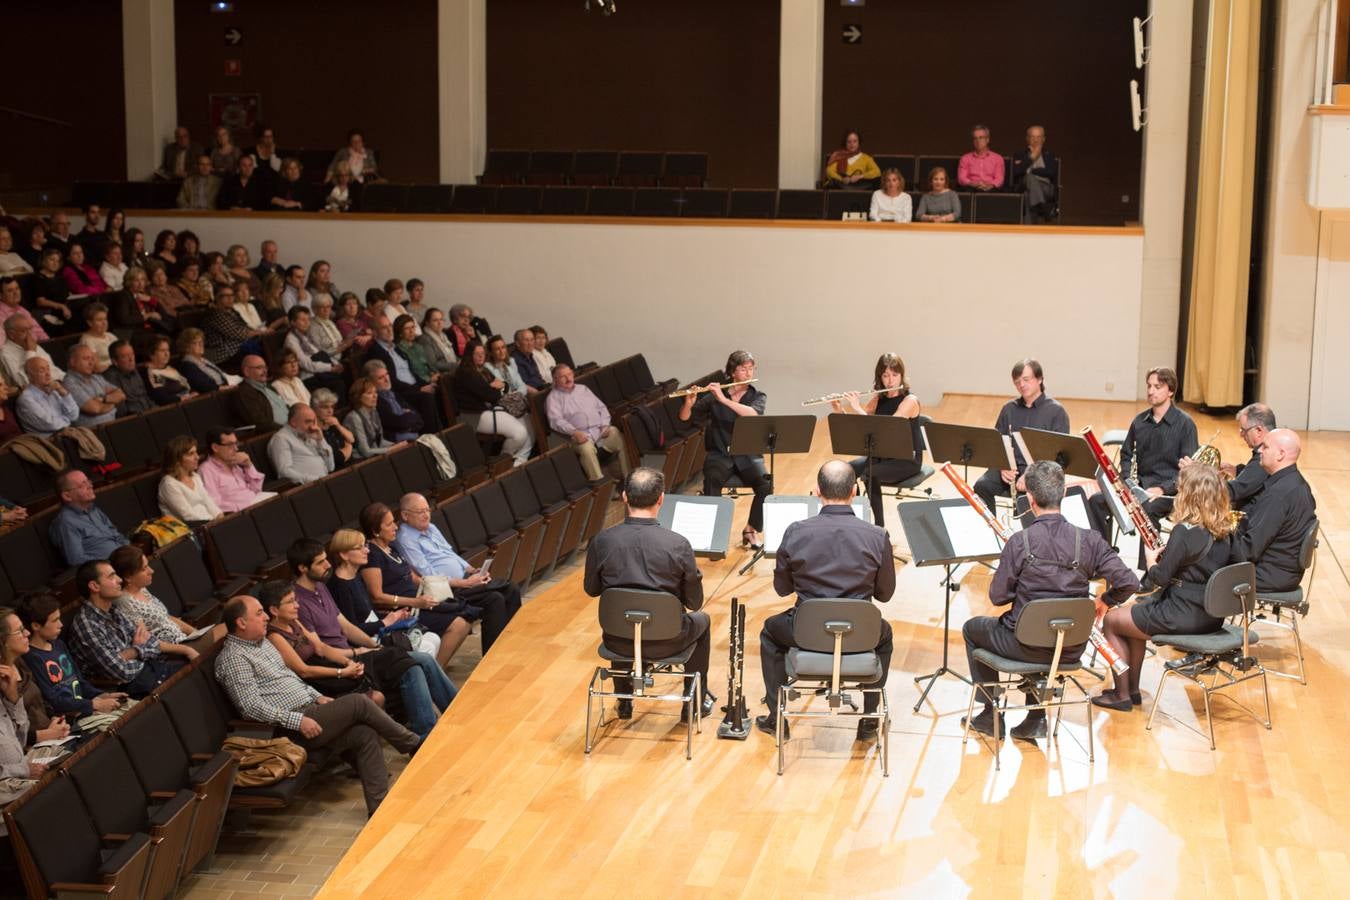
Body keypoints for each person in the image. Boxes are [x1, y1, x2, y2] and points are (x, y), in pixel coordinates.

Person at [962, 461, 1139, 739]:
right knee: (1043, 626)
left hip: (1023, 644)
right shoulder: (1090, 540)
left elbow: (997, 597)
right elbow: (1131, 582)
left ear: (1030, 499)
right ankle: (1035, 718)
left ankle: (989, 714)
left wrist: (1021, 583)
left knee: (973, 629)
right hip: (1071, 646)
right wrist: (1106, 599)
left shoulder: (1020, 542)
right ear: (1063, 494)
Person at [214, 595, 421, 817]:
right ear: (241, 623)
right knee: (360, 702)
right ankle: (414, 744)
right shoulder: (234, 659)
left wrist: (317, 696)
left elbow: (291, 678)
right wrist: (298, 720)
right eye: (258, 613)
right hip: (286, 731)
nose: (266, 617)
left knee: (364, 733)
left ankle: (380, 810)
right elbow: (250, 707)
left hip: (309, 709)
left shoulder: (262, 643)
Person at [755, 460, 895, 741]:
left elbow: (782, 589)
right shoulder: (878, 536)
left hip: (807, 632)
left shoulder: (796, 531)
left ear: (817, 491)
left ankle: (776, 718)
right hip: (859, 633)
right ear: (854, 491)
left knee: (771, 632)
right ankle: (869, 720)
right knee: (885, 634)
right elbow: (884, 594)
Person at [1094, 465, 1237, 711]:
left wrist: (1151, 559)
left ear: (1189, 495)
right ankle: (1132, 691)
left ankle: (1121, 694)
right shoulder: (1226, 530)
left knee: (1112, 621)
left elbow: (1160, 577)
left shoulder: (1184, 531)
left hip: (1181, 614)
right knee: (1133, 617)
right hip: (1210, 616)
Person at [288, 540, 458, 736]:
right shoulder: (297, 602)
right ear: (302, 567)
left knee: (425, 660)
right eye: (320, 562)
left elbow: (346, 626)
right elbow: (320, 649)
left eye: (326, 560)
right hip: (341, 660)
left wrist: (373, 644)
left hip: (358, 651)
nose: (328, 565)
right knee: (410, 667)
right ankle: (426, 733)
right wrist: (357, 651)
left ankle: (455, 710)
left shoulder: (320, 587)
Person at [584, 467, 712, 721]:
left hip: (617, 639)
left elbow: (592, 589)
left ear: (624, 497)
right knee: (703, 621)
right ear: (661, 498)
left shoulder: (602, 541)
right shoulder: (677, 544)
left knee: (623, 617)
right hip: (669, 639)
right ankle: (692, 705)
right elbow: (694, 602)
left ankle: (624, 701)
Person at [395, 494, 522, 658]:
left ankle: (510, 645)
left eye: (427, 510)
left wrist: (472, 570)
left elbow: (450, 554)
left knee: (511, 589)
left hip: (462, 582)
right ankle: (493, 657)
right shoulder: (405, 539)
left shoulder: (431, 528)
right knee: (496, 597)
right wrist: (465, 583)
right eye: (420, 512)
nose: (426, 515)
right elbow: (427, 573)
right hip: (445, 591)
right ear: (405, 515)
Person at [1086, 367, 1198, 549]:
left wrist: (1163, 489)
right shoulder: (1139, 421)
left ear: (1170, 391)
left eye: (1157, 386)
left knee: (1148, 510)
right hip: (1138, 488)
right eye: (1149, 386)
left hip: (1170, 492)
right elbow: (1126, 454)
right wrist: (1127, 480)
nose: (1151, 391)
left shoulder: (1185, 424)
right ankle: (1103, 554)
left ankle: (1149, 570)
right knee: (1096, 501)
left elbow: (1189, 472)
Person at [358, 503, 472, 668]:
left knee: (464, 610)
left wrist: (438, 589)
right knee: (459, 624)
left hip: (419, 601)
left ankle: (435, 670)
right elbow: (377, 597)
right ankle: (435, 673)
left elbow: (414, 578)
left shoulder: (391, 549)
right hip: (403, 610)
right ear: (375, 530)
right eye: (389, 524)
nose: (396, 527)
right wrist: (416, 602)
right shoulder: (373, 556)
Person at [678, 350, 769, 549]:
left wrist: (724, 400)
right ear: (732, 372)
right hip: (720, 455)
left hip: (748, 455)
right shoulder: (713, 397)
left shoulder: (757, 396)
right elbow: (686, 419)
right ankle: (713, 537)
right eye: (743, 369)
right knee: (712, 479)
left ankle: (751, 529)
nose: (748, 372)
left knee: (766, 485)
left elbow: (752, 415)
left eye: (750, 368)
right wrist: (688, 403)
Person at [831, 353, 923, 527]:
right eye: (886, 375)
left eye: (895, 375)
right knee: (847, 471)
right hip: (883, 455)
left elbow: (888, 430)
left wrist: (857, 407)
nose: (890, 381)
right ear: (880, 377)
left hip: (905, 459)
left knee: (869, 473)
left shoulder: (909, 401)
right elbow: (860, 426)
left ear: (902, 376)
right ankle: (853, 521)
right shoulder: (877, 399)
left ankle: (879, 527)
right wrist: (839, 409)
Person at [327, 528, 445, 663]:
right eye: (359, 548)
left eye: (365, 546)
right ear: (344, 554)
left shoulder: (356, 576)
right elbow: (352, 630)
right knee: (426, 647)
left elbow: (369, 612)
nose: (367, 550)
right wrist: (386, 621)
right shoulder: (339, 586)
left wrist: (395, 617)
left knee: (433, 638)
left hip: (378, 630)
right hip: (367, 641)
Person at [972, 358, 1071, 516]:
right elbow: (996, 443)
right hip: (1010, 468)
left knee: (1030, 497)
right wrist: (1002, 466)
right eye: (1017, 382)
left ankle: (1029, 536)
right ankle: (994, 531)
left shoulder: (1056, 412)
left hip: (1040, 471)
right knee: (982, 485)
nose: (1021, 385)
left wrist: (1031, 474)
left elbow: (1060, 458)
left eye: (1026, 379)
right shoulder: (1009, 409)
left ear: (1039, 379)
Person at [68, 560, 179, 696]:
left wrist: (129, 653)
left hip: (153, 670)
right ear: (94, 586)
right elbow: (121, 672)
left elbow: (151, 642)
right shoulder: (86, 625)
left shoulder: (114, 609)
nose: (120, 580)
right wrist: (138, 650)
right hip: (132, 688)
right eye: (112, 576)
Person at [258, 580, 379, 701]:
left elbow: (321, 647)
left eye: (295, 600)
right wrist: (342, 672)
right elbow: (304, 671)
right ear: (274, 610)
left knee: (379, 667)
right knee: (376, 695)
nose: (297, 605)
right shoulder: (274, 636)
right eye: (290, 602)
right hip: (313, 684)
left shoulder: (293, 621)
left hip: (326, 668)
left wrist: (348, 662)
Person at [1229, 428, 1317, 592]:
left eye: (1266, 447)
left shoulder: (1278, 495)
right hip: (1282, 572)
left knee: (1196, 568)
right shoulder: (1297, 484)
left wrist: (1215, 545)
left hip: (1266, 574)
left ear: (1280, 454)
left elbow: (1248, 550)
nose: (1260, 450)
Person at [21, 593, 127, 725]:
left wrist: (100, 695)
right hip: (71, 718)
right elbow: (54, 700)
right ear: (36, 626)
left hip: (86, 707)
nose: (60, 624)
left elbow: (79, 682)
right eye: (54, 620)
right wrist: (93, 704)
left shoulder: (59, 645)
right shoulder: (32, 657)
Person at [110, 545, 210, 664]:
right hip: (170, 655)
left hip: (184, 641)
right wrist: (187, 650)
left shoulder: (141, 589)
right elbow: (146, 640)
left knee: (221, 634)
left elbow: (165, 617)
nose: (151, 571)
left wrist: (196, 633)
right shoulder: (124, 601)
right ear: (128, 577)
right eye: (144, 568)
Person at [0, 603, 72, 748]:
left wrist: (55, 720)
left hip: (52, 736)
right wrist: (44, 735)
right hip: (28, 750)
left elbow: (42, 701)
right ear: (3, 641)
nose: (27, 633)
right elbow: (9, 734)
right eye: (20, 631)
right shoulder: (3, 678)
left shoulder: (20, 662)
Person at [1180, 402, 1273, 511]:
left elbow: (1232, 491)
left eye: (1244, 430)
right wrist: (1239, 471)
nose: (1241, 434)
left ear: (1258, 430)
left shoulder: (1264, 459)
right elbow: (1256, 479)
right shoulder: (1269, 451)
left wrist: (1197, 474)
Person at [453, 341, 533, 465]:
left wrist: (494, 387)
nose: (481, 356)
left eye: (482, 353)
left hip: (492, 408)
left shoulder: (483, 369)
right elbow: (491, 395)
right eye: (476, 354)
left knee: (528, 423)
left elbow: (503, 387)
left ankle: (518, 460)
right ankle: (502, 463)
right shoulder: (466, 373)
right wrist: (494, 388)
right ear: (469, 355)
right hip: (474, 415)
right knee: (519, 434)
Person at [547, 363, 628, 482]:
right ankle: (600, 485)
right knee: (586, 449)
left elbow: (601, 407)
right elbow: (556, 421)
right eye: (563, 376)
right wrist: (574, 432)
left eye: (569, 374)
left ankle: (629, 478)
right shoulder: (552, 398)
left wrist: (605, 424)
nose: (568, 378)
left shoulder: (583, 389)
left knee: (616, 433)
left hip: (599, 430)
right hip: (579, 436)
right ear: (555, 380)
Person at [367, 314, 442, 432]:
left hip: (414, 387)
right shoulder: (376, 352)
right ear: (375, 332)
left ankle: (448, 431)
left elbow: (411, 371)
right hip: (401, 393)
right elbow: (390, 380)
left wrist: (424, 383)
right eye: (383, 327)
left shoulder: (395, 348)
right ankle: (433, 436)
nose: (389, 330)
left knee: (439, 386)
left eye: (390, 326)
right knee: (426, 397)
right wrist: (418, 389)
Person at [50, 469, 128, 566]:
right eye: (82, 485)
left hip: (126, 559)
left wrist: (130, 549)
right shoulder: (66, 522)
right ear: (67, 496)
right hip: (108, 569)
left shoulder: (94, 509)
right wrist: (110, 563)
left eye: (88, 481)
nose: (90, 486)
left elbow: (116, 535)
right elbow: (76, 560)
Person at [200, 427, 274, 513]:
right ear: (215, 447)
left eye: (236, 443)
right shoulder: (206, 471)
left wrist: (248, 465)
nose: (236, 449)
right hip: (241, 514)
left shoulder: (235, 462)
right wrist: (246, 505)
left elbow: (256, 490)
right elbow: (215, 505)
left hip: (256, 506)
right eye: (230, 445)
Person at [158, 435, 222, 523]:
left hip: (209, 523)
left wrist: (220, 517)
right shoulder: (168, 484)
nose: (197, 457)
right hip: (190, 530)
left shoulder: (195, 476)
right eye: (191, 454)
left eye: (196, 452)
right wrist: (213, 525)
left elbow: (208, 502)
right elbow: (188, 516)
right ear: (177, 459)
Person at [269, 403, 336, 485]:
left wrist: (321, 441)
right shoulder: (281, 438)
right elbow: (284, 472)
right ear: (293, 422)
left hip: (324, 483)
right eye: (308, 422)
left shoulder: (310, 433)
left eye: (314, 422)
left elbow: (331, 467)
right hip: (305, 488)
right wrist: (315, 480)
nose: (313, 426)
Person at [284, 306, 346, 394]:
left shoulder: (307, 335)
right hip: (310, 376)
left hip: (322, 371)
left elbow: (321, 353)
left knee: (346, 373)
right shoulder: (291, 340)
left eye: (308, 319)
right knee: (339, 384)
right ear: (293, 322)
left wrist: (335, 364)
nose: (307, 323)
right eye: (303, 320)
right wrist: (330, 368)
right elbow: (305, 363)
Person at [204, 285, 267, 368]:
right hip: (224, 353)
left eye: (232, 295)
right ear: (217, 298)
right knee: (255, 345)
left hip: (237, 347)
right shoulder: (216, 314)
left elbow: (245, 327)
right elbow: (239, 334)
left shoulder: (232, 311)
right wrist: (260, 332)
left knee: (264, 341)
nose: (230, 299)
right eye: (226, 296)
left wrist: (258, 333)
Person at [62, 344, 123, 428]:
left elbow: (121, 394)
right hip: (94, 432)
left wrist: (103, 399)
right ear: (73, 362)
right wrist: (113, 404)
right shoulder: (69, 384)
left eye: (92, 359)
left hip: (114, 424)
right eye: (86, 359)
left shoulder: (96, 378)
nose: (91, 363)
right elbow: (94, 409)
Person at [16, 357, 78, 437]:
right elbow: (51, 425)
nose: (48, 374)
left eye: (48, 369)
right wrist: (68, 421)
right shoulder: (26, 399)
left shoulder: (54, 391)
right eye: (42, 371)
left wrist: (63, 392)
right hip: (48, 443)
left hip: (66, 436)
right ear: (30, 376)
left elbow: (74, 415)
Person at [362, 360, 422, 441]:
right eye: (380, 378)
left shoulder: (393, 394)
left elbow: (419, 420)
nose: (386, 379)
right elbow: (397, 423)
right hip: (399, 445)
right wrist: (409, 416)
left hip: (415, 438)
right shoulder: (376, 401)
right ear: (371, 382)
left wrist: (408, 423)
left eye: (386, 374)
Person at [1010, 125, 1059, 223]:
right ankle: (1043, 207)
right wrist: (1031, 158)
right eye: (1032, 137)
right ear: (1027, 139)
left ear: (1043, 139)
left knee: (1028, 195)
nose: (1036, 140)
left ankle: (1028, 231)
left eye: (1039, 137)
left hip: (1045, 187)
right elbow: (1016, 172)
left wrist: (1031, 170)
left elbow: (1051, 173)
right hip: (1024, 185)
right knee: (1029, 178)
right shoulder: (1020, 155)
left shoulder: (1049, 155)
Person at [1, 314, 63, 387]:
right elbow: (24, 382)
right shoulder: (5, 353)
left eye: (30, 330)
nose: (29, 335)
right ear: (11, 334)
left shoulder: (33, 344)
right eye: (24, 331)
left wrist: (64, 380)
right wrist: (30, 352)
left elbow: (54, 369)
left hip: (58, 384)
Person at [344, 377, 399, 459]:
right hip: (360, 461)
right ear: (358, 397)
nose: (375, 396)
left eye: (375, 392)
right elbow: (365, 452)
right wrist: (392, 449)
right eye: (369, 393)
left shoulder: (374, 411)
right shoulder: (354, 418)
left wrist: (398, 445)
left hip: (376, 456)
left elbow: (380, 442)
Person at [230, 354, 288, 429]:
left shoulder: (270, 387)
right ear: (246, 371)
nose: (265, 371)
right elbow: (260, 422)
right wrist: (286, 429)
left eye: (265, 367)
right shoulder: (243, 392)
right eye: (259, 368)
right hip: (276, 433)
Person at [177, 328, 241, 393]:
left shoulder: (203, 360)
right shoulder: (187, 366)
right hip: (216, 394)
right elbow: (202, 385)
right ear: (186, 347)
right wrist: (220, 388)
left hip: (224, 387)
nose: (201, 345)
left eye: (201, 341)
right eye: (196, 343)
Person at [103, 340, 153, 416]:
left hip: (148, 413)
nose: (131, 359)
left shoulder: (134, 371)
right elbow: (121, 411)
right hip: (133, 419)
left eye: (132, 354)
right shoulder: (110, 377)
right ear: (115, 361)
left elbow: (144, 395)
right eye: (125, 356)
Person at [312, 388, 355, 468]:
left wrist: (338, 425)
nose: (330, 411)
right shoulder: (314, 431)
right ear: (314, 409)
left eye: (332, 407)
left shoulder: (333, 424)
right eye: (325, 407)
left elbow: (352, 439)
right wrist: (349, 447)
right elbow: (337, 459)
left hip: (350, 466)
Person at [143, 335, 192, 405]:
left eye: (168, 350)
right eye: (162, 351)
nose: (167, 354)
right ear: (152, 354)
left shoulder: (170, 368)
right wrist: (181, 398)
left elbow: (185, 384)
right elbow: (163, 398)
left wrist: (192, 393)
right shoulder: (154, 373)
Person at [957, 124, 1005, 192]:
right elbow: (961, 178)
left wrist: (990, 186)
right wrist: (974, 184)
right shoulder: (965, 158)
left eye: (981, 137)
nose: (978, 141)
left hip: (991, 189)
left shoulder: (998, 158)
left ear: (987, 139)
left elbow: (999, 179)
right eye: (975, 138)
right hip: (971, 188)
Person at [396, 315, 439, 384]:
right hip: (420, 383)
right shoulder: (399, 349)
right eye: (407, 328)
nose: (411, 331)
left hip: (432, 379)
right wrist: (429, 379)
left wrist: (436, 374)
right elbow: (412, 372)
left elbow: (429, 366)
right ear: (400, 332)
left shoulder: (418, 346)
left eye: (413, 327)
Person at [77, 302, 115, 372]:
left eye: (105, 319)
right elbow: (97, 368)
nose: (104, 323)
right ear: (90, 323)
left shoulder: (111, 336)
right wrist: (116, 364)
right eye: (99, 320)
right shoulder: (87, 341)